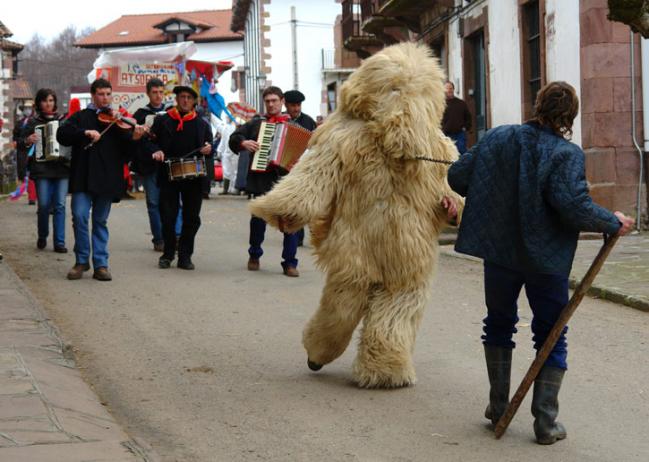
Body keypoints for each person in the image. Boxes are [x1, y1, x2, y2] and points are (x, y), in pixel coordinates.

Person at [447, 81, 635, 445]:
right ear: (570, 117)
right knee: (551, 334)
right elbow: (574, 205)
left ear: (537, 105)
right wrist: (614, 221)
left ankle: (499, 408)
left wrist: (494, 184)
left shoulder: (498, 138)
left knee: (498, 325)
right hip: (544, 260)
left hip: (501, 254)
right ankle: (545, 424)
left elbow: (457, 176)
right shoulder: (566, 154)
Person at [57, 78, 145, 281]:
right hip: (83, 176)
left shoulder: (118, 121)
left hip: (107, 177)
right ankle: (81, 261)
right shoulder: (80, 117)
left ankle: (101, 264)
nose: (105, 99)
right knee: (79, 216)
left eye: (108, 94)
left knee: (100, 221)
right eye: (101, 94)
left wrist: (135, 139)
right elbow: (63, 134)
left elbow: (127, 153)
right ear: (93, 95)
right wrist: (84, 132)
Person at [228, 86, 300, 277]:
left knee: (290, 223)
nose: (270, 104)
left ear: (282, 101)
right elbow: (235, 137)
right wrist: (243, 143)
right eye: (267, 101)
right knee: (258, 220)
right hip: (261, 179)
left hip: (286, 181)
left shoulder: (297, 123)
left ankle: (290, 263)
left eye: (274, 100)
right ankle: (254, 254)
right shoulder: (257, 123)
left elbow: (311, 147)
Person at [146, 86, 213, 270]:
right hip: (168, 175)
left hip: (193, 178)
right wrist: (156, 150)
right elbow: (150, 141)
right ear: (176, 99)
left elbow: (209, 147)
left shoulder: (201, 124)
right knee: (168, 216)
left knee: (191, 218)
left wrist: (209, 149)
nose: (185, 101)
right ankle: (167, 253)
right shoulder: (163, 120)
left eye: (189, 98)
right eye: (182, 97)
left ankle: (185, 255)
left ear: (193, 102)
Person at [18, 88, 70, 253]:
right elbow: (20, 143)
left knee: (60, 205)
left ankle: (59, 242)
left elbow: (71, 140)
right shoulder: (33, 122)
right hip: (42, 168)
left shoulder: (64, 121)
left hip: (61, 168)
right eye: (45, 100)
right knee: (45, 205)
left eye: (51, 100)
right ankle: (42, 235)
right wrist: (28, 140)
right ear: (39, 103)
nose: (48, 104)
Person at [283, 90, 317, 246]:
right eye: (292, 105)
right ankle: (296, 235)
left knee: (304, 203)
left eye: (298, 105)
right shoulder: (280, 120)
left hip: (304, 169)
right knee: (291, 205)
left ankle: (307, 233)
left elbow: (316, 144)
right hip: (283, 168)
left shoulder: (309, 122)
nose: (296, 109)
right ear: (286, 105)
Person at [13, 102, 38, 205]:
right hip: (22, 151)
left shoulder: (36, 121)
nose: (27, 110)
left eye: (29, 108)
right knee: (25, 174)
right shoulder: (19, 123)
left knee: (33, 173)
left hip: (34, 149)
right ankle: (30, 195)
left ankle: (33, 196)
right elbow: (15, 138)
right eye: (26, 108)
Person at [442, 81, 472, 154]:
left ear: (453, 89)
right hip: (446, 135)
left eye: (451, 88)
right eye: (447, 88)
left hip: (459, 134)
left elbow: (468, 117)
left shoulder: (461, 103)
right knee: (448, 155)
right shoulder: (441, 104)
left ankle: (465, 165)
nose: (449, 90)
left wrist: (466, 127)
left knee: (462, 152)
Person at [215, 118, 239, 195]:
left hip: (235, 151)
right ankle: (226, 189)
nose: (228, 118)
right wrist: (219, 151)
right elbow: (223, 139)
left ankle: (235, 189)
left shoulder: (238, 125)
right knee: (226, 171)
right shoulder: (225, 127)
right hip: (226, 152)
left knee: (235, 171)